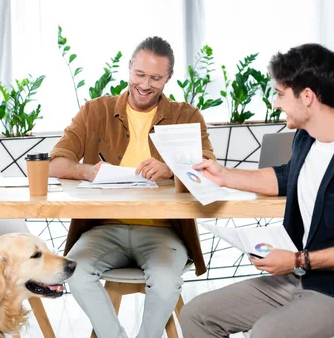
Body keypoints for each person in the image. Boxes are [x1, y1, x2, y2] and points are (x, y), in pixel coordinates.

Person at [180, 43, 334, 337]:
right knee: (196, 314)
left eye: (281, 94)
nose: (276, 103)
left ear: (307, 96)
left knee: (265, 333)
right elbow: (287, 177)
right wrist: (223, 176)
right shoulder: (305, 138)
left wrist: (298, 259)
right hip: (301, 277)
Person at [49, 36, 214, 338]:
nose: (145, 84)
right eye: (139, 74)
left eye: (155, 78)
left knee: (166, 281)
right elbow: (55, 163)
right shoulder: (94, 111)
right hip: (103, 229)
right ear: (129, 70)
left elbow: (210, 171)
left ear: (168, 78)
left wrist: (171, 169)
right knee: (76, 271)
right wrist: (88, 171)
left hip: (163, 231)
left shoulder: (186, 116)